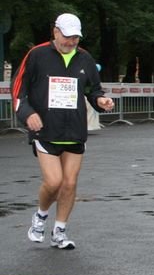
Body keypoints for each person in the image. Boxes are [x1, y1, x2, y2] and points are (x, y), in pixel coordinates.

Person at [12, 13, 115, 249]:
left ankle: (60, 230)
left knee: (69, 183)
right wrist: (28, 114)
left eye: (75, 38)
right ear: (55, 32)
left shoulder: (84, 58)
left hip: (74, 131)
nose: (71, 42)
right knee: (54, 181)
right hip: (46, 129)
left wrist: (101, 101)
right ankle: (40, 216)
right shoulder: (37, 55)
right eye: (67, 37)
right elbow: (18, 90)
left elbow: (93, 89)